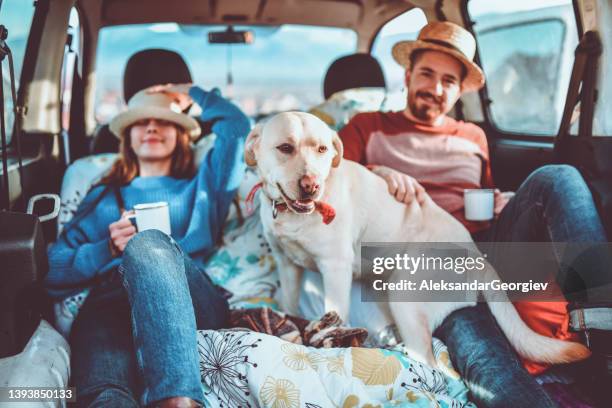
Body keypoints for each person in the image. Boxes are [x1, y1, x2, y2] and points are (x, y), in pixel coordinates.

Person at [339, 21, 612, 407]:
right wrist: (377, 173)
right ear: (407, 75)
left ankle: (604, 328)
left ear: (459, 90)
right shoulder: (367, 126)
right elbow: (332, 181)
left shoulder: (473, 135)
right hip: (424, 259)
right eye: (427, 74)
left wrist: (500, 201)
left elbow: (478, 199)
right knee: (486, 357)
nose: (436, 89)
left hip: (485, 243)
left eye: (448, 81)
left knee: (557, 178)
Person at [45, 84, 250, 408]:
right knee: (106, 397)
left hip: (187, 296)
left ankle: (177, 400)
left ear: (183, 134)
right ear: (127, 137)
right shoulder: (103, 196)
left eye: (165, 120)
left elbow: (237, 127)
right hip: (111, 304)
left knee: (148, 243)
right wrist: (106, 249)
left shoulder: (204, 186)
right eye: (141, 122)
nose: (152, 126)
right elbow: (50, 271)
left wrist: (189, 91)